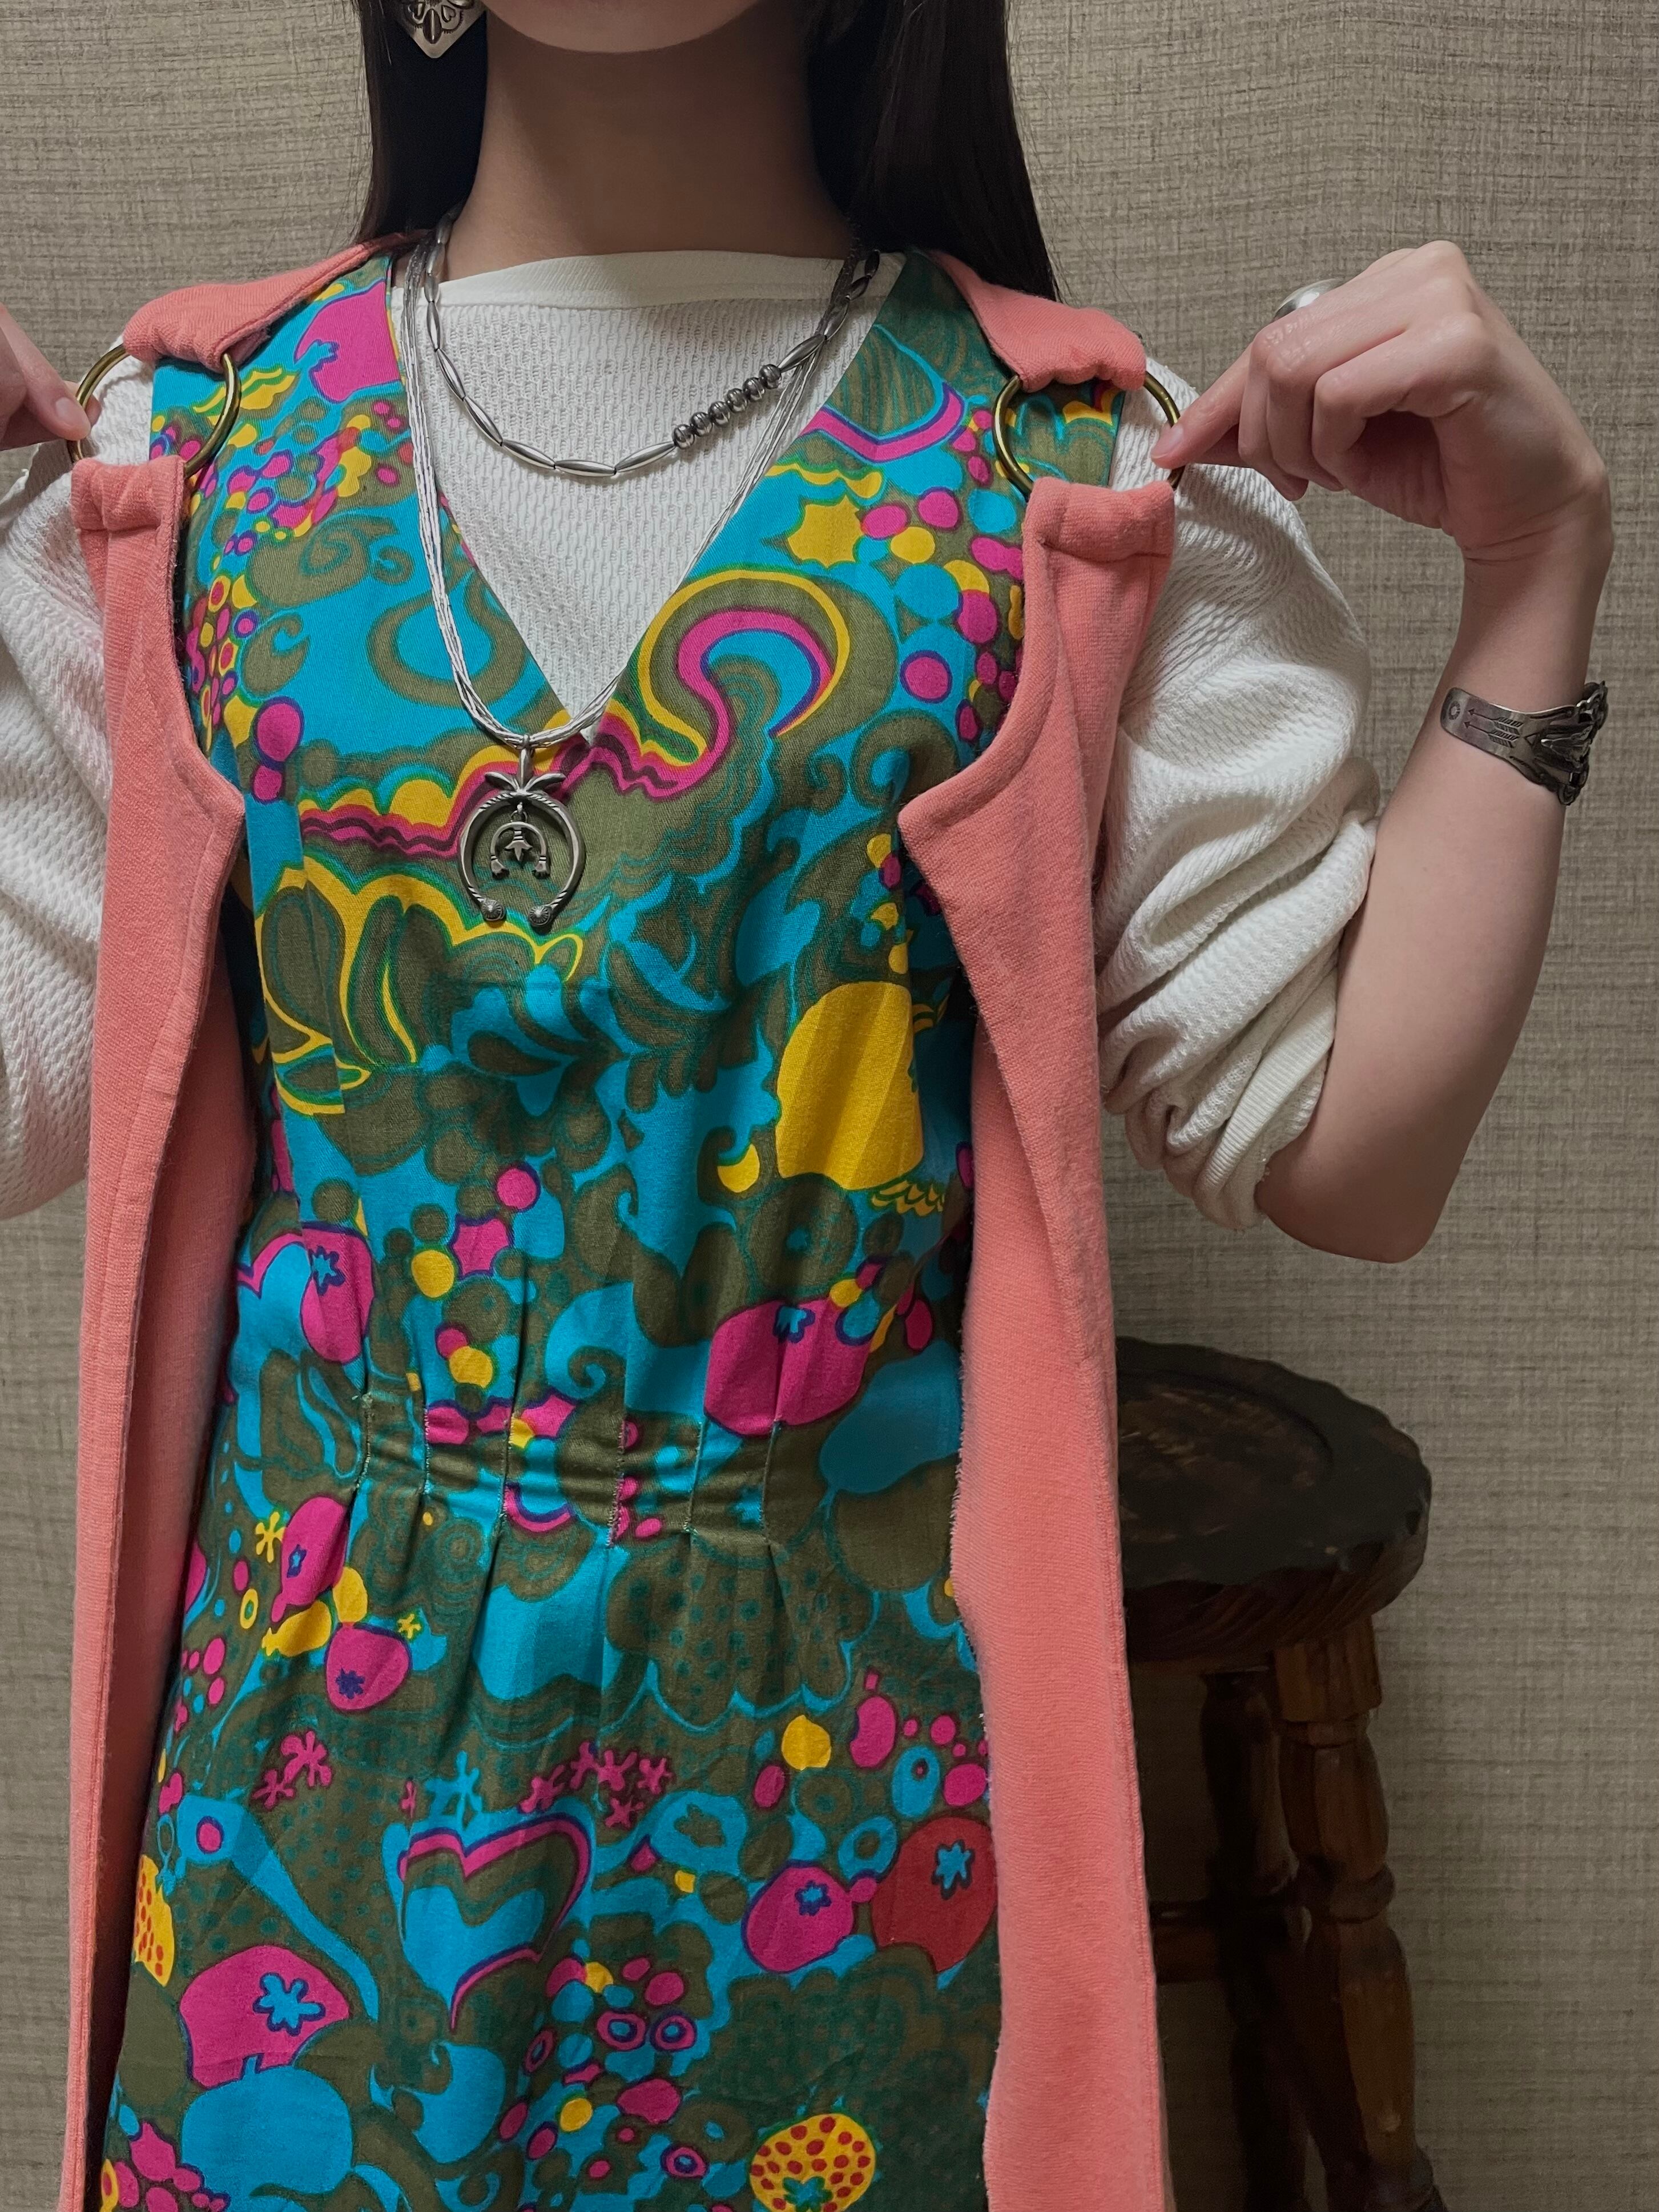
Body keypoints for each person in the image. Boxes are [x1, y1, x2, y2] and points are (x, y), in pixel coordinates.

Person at [0, 2, 1612, 2208]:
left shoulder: (1072, 484)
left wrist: (1532, 577)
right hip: (306, 1805)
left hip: (825, 1818)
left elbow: (1343, 1149)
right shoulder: (184, 461)